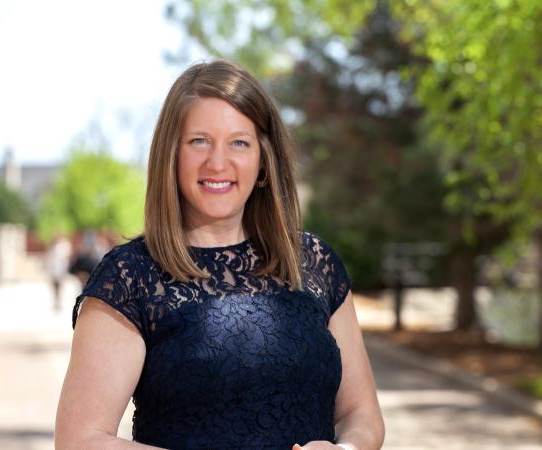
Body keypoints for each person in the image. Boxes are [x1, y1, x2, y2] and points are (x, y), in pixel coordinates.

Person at [55, 60, 384, 450]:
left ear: (264, 161)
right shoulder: (131, 276)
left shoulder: (314, 263)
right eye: (199, 141)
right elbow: (81, 439)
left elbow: (360, 414)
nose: (218, 162)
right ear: (171, 156)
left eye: (238, 143)